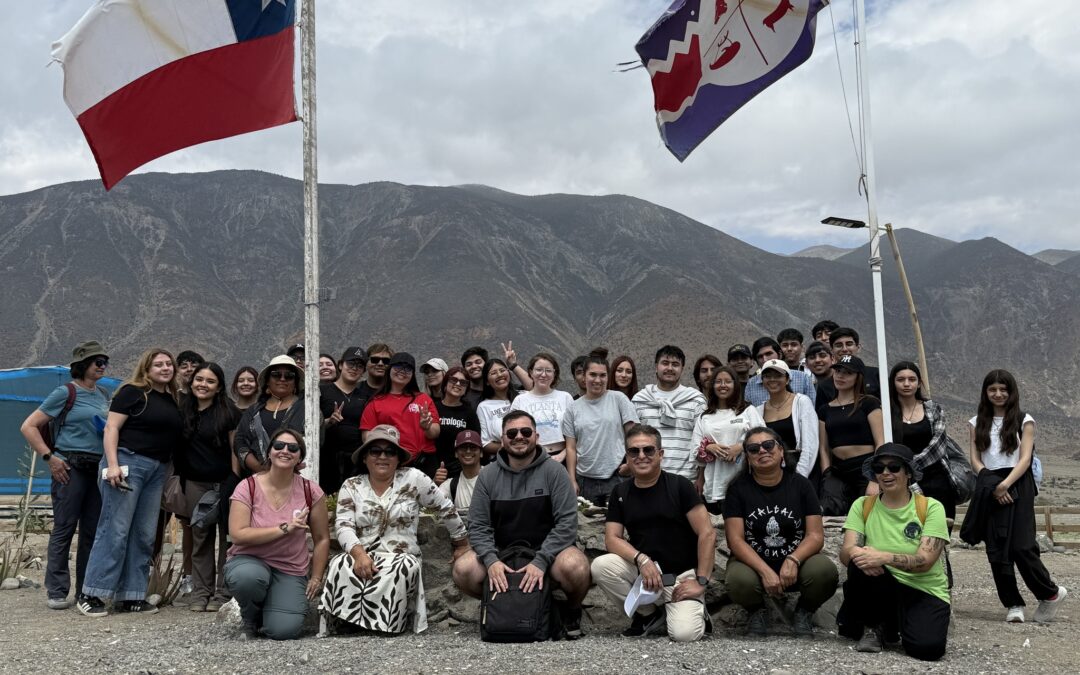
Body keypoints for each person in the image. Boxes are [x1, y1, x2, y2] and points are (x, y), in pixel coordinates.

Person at [452, 411, 591, 640]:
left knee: (576, 566)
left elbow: (566, 523)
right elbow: (478, 526)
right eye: (512, 433)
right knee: (463, 569)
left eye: (526, 432)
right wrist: (491, 560)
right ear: (503, 438)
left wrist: (541, 560)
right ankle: (506, 604)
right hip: (503, 554)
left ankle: (571, 610)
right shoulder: (488, 476)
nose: (519, 437)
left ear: (536, 436)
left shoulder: (554, 472)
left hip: (547, 553)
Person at [322, 425, 470, 634]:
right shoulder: (351, 485)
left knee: (399, 567)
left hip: (401, 554)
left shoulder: (414, 478)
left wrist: (461, 542)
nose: (383, 456)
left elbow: (444, 507)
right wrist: (359, 554)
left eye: (390, 452)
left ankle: (386, 625)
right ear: (365, 457)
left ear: (398, 458)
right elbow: (343, 525)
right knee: (338, 563)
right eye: (375, 451)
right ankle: (344, 622)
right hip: (363, 553)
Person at [77, 348, 182, 617]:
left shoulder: (173, 399)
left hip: (156, 469)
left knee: (144, 533)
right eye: (158, 364)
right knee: (115, 529)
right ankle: (92, 592)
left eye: (169, 363)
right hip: (127, 463)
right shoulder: (133, 392)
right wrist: (112, 465)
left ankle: (132, 595)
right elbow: (111, 428)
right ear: (146, 368)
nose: (165, 368)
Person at [591, 424, 715, 641]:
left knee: (684, 635)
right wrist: (642, 560)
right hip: (645, 577)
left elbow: (707, 533)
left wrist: (701, 581)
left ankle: (693, 611)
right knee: (602, 566)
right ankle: (647, 615)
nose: (641, 456)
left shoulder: (680, 486)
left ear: (660, 454)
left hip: (680, 578)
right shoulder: (621, 492)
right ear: (627, 456)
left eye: (648, 450)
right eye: (634, 451)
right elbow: (612, 538)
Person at [965, 370, 1066, 624]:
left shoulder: (1024, 420)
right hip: (989, 482)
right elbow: (975, 459)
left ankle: (1050, 593)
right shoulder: (976, 422)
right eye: (992, 390)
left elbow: (1025, 458)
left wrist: (1006, 485)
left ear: (1011, 392)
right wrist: (993, 484)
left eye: (1003, 389)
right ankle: (1012, 604)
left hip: (1019, 482)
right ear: (985, 393)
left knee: (1022, 545)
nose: (998, 394)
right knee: (997, 548)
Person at [20, 341, 111, 609]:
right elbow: (29, 426)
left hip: (97, 469)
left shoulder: (104, 394)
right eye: (97, 362)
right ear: (83, 365)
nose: (102, 366)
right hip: (69, 467)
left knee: (91, 531)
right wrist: (50, 458)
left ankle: (86, 589)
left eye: (105, 361)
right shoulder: (65, 392)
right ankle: (57, 590)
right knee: (64, 527)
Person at [838, 444, 950, 660]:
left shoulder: (931, 507)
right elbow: (846, 552)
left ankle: (895, 626)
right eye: (879, 468)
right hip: (881, 584)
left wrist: (883, 557)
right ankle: (874, 626)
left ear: (908, 472)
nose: (886, 473)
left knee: (928, 649)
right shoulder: (863, 505)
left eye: (894, 467)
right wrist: (860, 555)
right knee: (859, 562)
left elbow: (925, 560)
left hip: (923, 588)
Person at [724, 427, 837, 637]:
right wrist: (765, 570)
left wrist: (793, 559)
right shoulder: (738, 489)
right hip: (754, 563)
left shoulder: (801, 485)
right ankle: (757, 611)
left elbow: (815, 535)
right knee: (738, 580)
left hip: (796, 561)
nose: (762, 451)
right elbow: (735, 540)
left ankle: (804, 611)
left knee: (824, 571)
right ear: (747, 457)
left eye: (768, 445)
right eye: (753, 448)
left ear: (781, 451)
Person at [225, 429, 329, 640]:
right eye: (279, 446)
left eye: (293, 448)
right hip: (249, 560)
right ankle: (250, 616)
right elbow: (237, 534)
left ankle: (269, 613)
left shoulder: (311, 491)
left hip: (289, 567)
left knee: (284, 630)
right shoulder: (248, 486)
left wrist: (316, 577)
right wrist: (284, 528)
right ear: (269, 451)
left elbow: (322, 538)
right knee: (248, 578)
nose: (285, 451)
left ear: (300, 456)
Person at [177, 362, 240, 612]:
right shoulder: (183, 411)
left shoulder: (229, 412)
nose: (203, 384)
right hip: (195, 484)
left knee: (227, 538)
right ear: (191, 383)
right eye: (199, 379)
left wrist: (234, 479)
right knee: (201, 537)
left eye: (210, 381)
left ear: (219, 387)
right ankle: (201, 593)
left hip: (225, 483)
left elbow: (235, 448)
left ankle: (223, 593)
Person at [888, 361, 966, 522]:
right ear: (893, 383)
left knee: (941, 529)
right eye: (901, 379)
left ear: (919, 384)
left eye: (912, 379)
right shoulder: (886, 413)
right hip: (901, 480)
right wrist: (905, 471)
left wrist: (911, 465)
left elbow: (938, 444)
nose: (906, 384)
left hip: (936, 476)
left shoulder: (933, 409)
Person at [562, 353, 639, 504]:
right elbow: (570, 447)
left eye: (602, 375)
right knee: (587, 526)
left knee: (619, 524)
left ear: (608, 376)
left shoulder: (619, 399)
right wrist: (571, 479)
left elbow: (634, 435)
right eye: (593, 375)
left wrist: (630, 464)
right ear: (584, 376)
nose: (598, 380)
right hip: (584, 479)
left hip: (617, 476)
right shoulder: (573, 408)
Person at [690, 366, 764, 513]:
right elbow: (695, 451)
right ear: (712, 386)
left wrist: (741, 446)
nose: (723, 385)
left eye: (727, 381)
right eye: (718, 382)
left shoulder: (747, 410)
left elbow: (763, 438)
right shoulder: (704, 417)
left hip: (745, 481)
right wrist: (708, 448)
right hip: (714, 484)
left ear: (735, 385)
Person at [817, 355, 884, 515]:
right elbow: (824, 448)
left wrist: (875, 478)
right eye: (838, 371)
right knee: (831, 514)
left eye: (848, 372)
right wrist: (827, 474)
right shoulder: (825, 410)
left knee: (868, 514)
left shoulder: (869, 403)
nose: (840, 376)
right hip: (838, 470)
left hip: (865, 468)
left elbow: (881, 442)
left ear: (858, 377)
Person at [360, 352, 441, 477]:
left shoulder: (423, 399)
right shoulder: (375, 402)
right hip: (392, 461)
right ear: (390, 369)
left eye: (408, 368)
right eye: (398, 366)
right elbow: (367, 437)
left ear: (412, 375)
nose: (403, 371)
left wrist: (427, 427)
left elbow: (435, 432)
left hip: (425, 462)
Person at [632, 346, 706, 481]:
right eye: (665, 363)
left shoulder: (696, 400)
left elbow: (703, 441)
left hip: (686, 478)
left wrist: (701, 478)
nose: (670, 368)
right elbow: (633, 441)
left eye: (675, 364)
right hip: (648, 478)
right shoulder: (640, 400)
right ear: (656, 366)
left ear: (682, 369)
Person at [234, 355, 305, 477]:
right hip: (258, 478)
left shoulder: (307, 409)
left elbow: (314, 443)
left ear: (295, 382)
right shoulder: (253, 411)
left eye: (289, 376)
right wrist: (260, 469)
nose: (282, 379)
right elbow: (239, 442)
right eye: (276, 374)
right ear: (267, 380)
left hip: (298, 476)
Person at [754, 360, 818, 479]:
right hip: (773, 472)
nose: (772, 379)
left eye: (778, 375)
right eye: (767, 376)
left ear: (787, 379)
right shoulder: (758, 411)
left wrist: (800, 476)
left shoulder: (802, 402)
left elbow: (810, 444)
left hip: (801, 468)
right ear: (762, 381)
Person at [320, 347, 370, 494]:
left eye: (359, 366)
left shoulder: (366, 396)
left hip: (356, 460)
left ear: (363, 372)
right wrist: (328, 421)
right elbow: (308, 426)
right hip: (327, 459)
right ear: (341, 365)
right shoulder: (321, 392)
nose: (354, 369)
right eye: (351, 364)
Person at [510, 353, 574, 463]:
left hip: (563, 457)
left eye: (548, 370)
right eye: (539, 370)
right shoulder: (520, 400)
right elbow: (513, 432)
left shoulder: (565, 397)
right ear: (531, 372)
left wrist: (562, 455)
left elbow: (576, 432)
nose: (543, 374)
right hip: (531, 457)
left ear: (554, 373)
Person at [432, 366, 481, 479]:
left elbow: (476, 442)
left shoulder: (469, 412)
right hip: (434, 468)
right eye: (454, 380)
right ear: (445, 384)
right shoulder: (434, 407)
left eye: (463, 382)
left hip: (461, 471)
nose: (458, 384)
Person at [743, 337, 816, 407]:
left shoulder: (803, 378)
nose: (765, 359)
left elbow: (812, 408)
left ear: (780, 354)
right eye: (760, 356)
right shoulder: (751, 384)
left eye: (768, 354)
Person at [438, 430, 483, 521]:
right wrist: (434, 484)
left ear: (481, 453)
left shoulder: (493, 477)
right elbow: (432, 507)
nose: (468, 451)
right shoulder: (450, 485)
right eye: (463, 448)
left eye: (473, 447)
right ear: (456, 453)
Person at [476, 358, 518, 456]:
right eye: (493, 373)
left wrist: (514, 365)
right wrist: (510, 448)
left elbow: (534, 387)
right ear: (487, 382)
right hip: (502, 459)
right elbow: (485, 443)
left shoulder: (522, 397)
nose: (499, 375)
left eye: (502, 370)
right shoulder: (484, 407)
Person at [829, 328, 880, 397]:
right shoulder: (825, 385)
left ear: (858, 347)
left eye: (849, 344)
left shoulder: (876, 375)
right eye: (838, 345)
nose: (844, 349)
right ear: (832, 350)